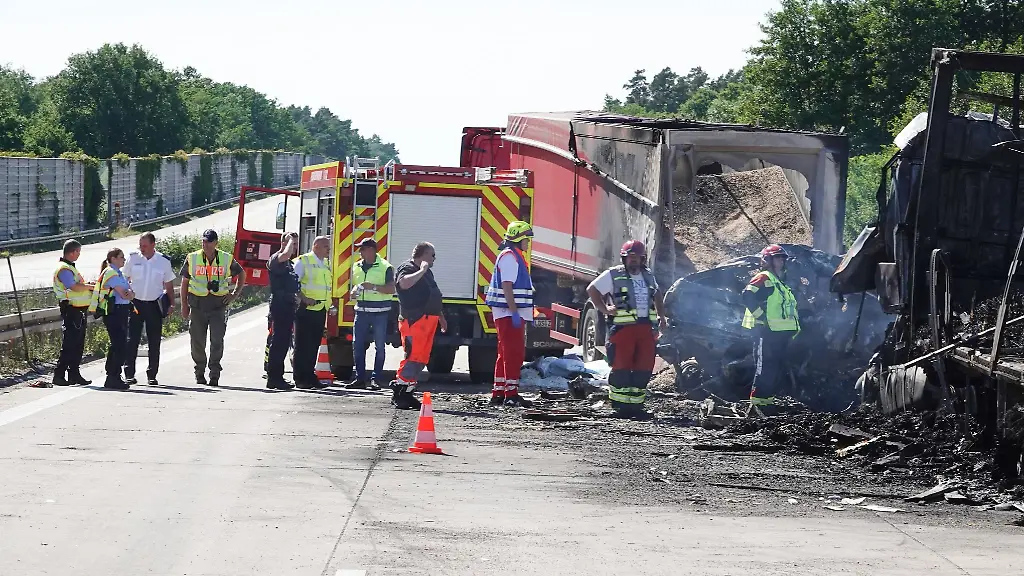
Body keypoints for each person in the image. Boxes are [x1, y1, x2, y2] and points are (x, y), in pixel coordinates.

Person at [586, 240, 668, 416]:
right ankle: (620, 406)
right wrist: (604, 309)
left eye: (637, 257)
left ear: (642, 259)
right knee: (621, 367)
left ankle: (636, 406)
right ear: (624, 259)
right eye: (630, 257)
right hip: (622, 329)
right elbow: (592, 290)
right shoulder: (613, 274)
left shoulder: (648, 275)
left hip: (645, 329)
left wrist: (661, 316)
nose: (633, 261)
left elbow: (657, 294)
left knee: (643, 368)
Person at [180, 229, 246, 387]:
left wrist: (234, 294)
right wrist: (184, 305)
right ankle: (199, 372)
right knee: (197, 341)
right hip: (197, 305)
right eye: (203, 241)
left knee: (217, 340)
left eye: (208, 241)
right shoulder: (193, 258)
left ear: (216, 243)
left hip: (218, 305)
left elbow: (242, 274)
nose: (205, 244)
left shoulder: (226, 258)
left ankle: (214, 373)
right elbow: (184, 282)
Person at [741, 244, 801, 416]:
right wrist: (761, 317)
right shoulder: (764, 277)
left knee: (775, 368)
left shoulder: (780, 282)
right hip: (765, 332)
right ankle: (757, 407)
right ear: (767, 260)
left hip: (778, 333)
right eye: (777, 257)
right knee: (765, 368)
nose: (781, 261)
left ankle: (767, 404)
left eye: (782, 258)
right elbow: (747, 295)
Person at [484, 221, 536, 407]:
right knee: (513, 353)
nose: (528, 243)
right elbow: (507, 286)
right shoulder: (510, 257)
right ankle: (511, 394)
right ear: (519, 239)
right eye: (526, 239)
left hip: (509, 312)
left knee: (505, 352)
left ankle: (499, 392)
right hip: (508, 313)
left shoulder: (513, 256)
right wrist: (514, 312)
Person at [392, 242, 447, 410]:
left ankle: (408, 392)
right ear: (422, 255)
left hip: (428, 321)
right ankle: (399, 392)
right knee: (412, 357)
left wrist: (441, 317)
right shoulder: (407, 268)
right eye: (432, 255)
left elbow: (434, 295)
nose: (434, 259)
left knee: (421, 358)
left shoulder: (428, 273)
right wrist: (421, 270)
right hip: (414, 321)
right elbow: (403, 284)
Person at [123, 232, 176, 386]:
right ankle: (129, 374)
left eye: (145, 246)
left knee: (154, 341)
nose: (142, 248)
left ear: (153, 245)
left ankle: (152, 375)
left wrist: (172, 304)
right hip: (135, 304)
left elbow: (169, 285)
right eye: (140, 245)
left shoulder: (163, 261)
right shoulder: (133, 258)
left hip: (154, 305)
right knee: (132, 339)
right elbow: (124, 279)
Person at [348, 238, 395, 390]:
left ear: (372, 250)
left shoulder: (385, 267)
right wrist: (353, 292)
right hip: (361, 311)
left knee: (379, 347)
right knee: (357, 345)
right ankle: (360, 378)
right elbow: (355, 287)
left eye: (363, 249)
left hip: (380, 312)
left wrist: (373, 287)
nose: (360, 252)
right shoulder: (356, 266)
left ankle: (376, 379)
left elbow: (391, 289)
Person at [88, 248, 136, 390]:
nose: (124, 260)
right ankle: (112, 376)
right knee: (119, 344)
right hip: (114, 311)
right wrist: (130, 294)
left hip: (119, 311)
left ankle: (114, 375)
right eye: (121, 257)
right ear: (113, 258)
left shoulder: (117, 273)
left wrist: (130, 294)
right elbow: (124, 294)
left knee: (118, 344)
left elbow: (130, 293)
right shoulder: (111, 273)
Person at [52, 239, 95, 387]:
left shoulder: (70, 268)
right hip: (71, 309)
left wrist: (88, 286)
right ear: (73, 251)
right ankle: (59, 375)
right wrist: (90, 287)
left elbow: (77, 285)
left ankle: (74, 375)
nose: (79, 255)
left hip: (79, 310)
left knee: (78, 344)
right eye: (78, 252)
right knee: (70, 343)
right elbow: (74, 287)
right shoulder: (64, 269)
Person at [293, 235, 333, 389]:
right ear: (316, 246)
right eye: (326, 247)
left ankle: (310, 376)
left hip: (320, 309)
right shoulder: (303, 261)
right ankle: (300, 379)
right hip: (305, 309)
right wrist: (303, 298)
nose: (328, 250)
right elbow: (293, 283)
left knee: (314, 345)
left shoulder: (325, 263)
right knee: (302, 345)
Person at [264, 232, 301, 390]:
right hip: (279, 305)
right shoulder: (277, 258)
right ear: (283, 243)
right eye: (292, 243)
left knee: (284, 342)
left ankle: (278, 376)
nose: (294, 247)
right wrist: (290, 240)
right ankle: (273, 378)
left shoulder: (289, 264)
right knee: (278, 342)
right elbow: (285, 254)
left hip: (287, 305)